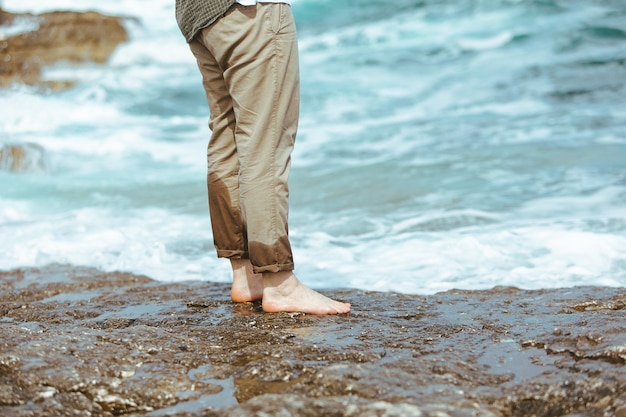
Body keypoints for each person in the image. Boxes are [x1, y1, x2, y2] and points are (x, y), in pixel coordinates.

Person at [175, 0, 351, 314]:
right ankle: (279, 283)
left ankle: (246, 274)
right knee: (265, 142)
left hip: (197, 12)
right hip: (250, 10)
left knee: (227, 136)